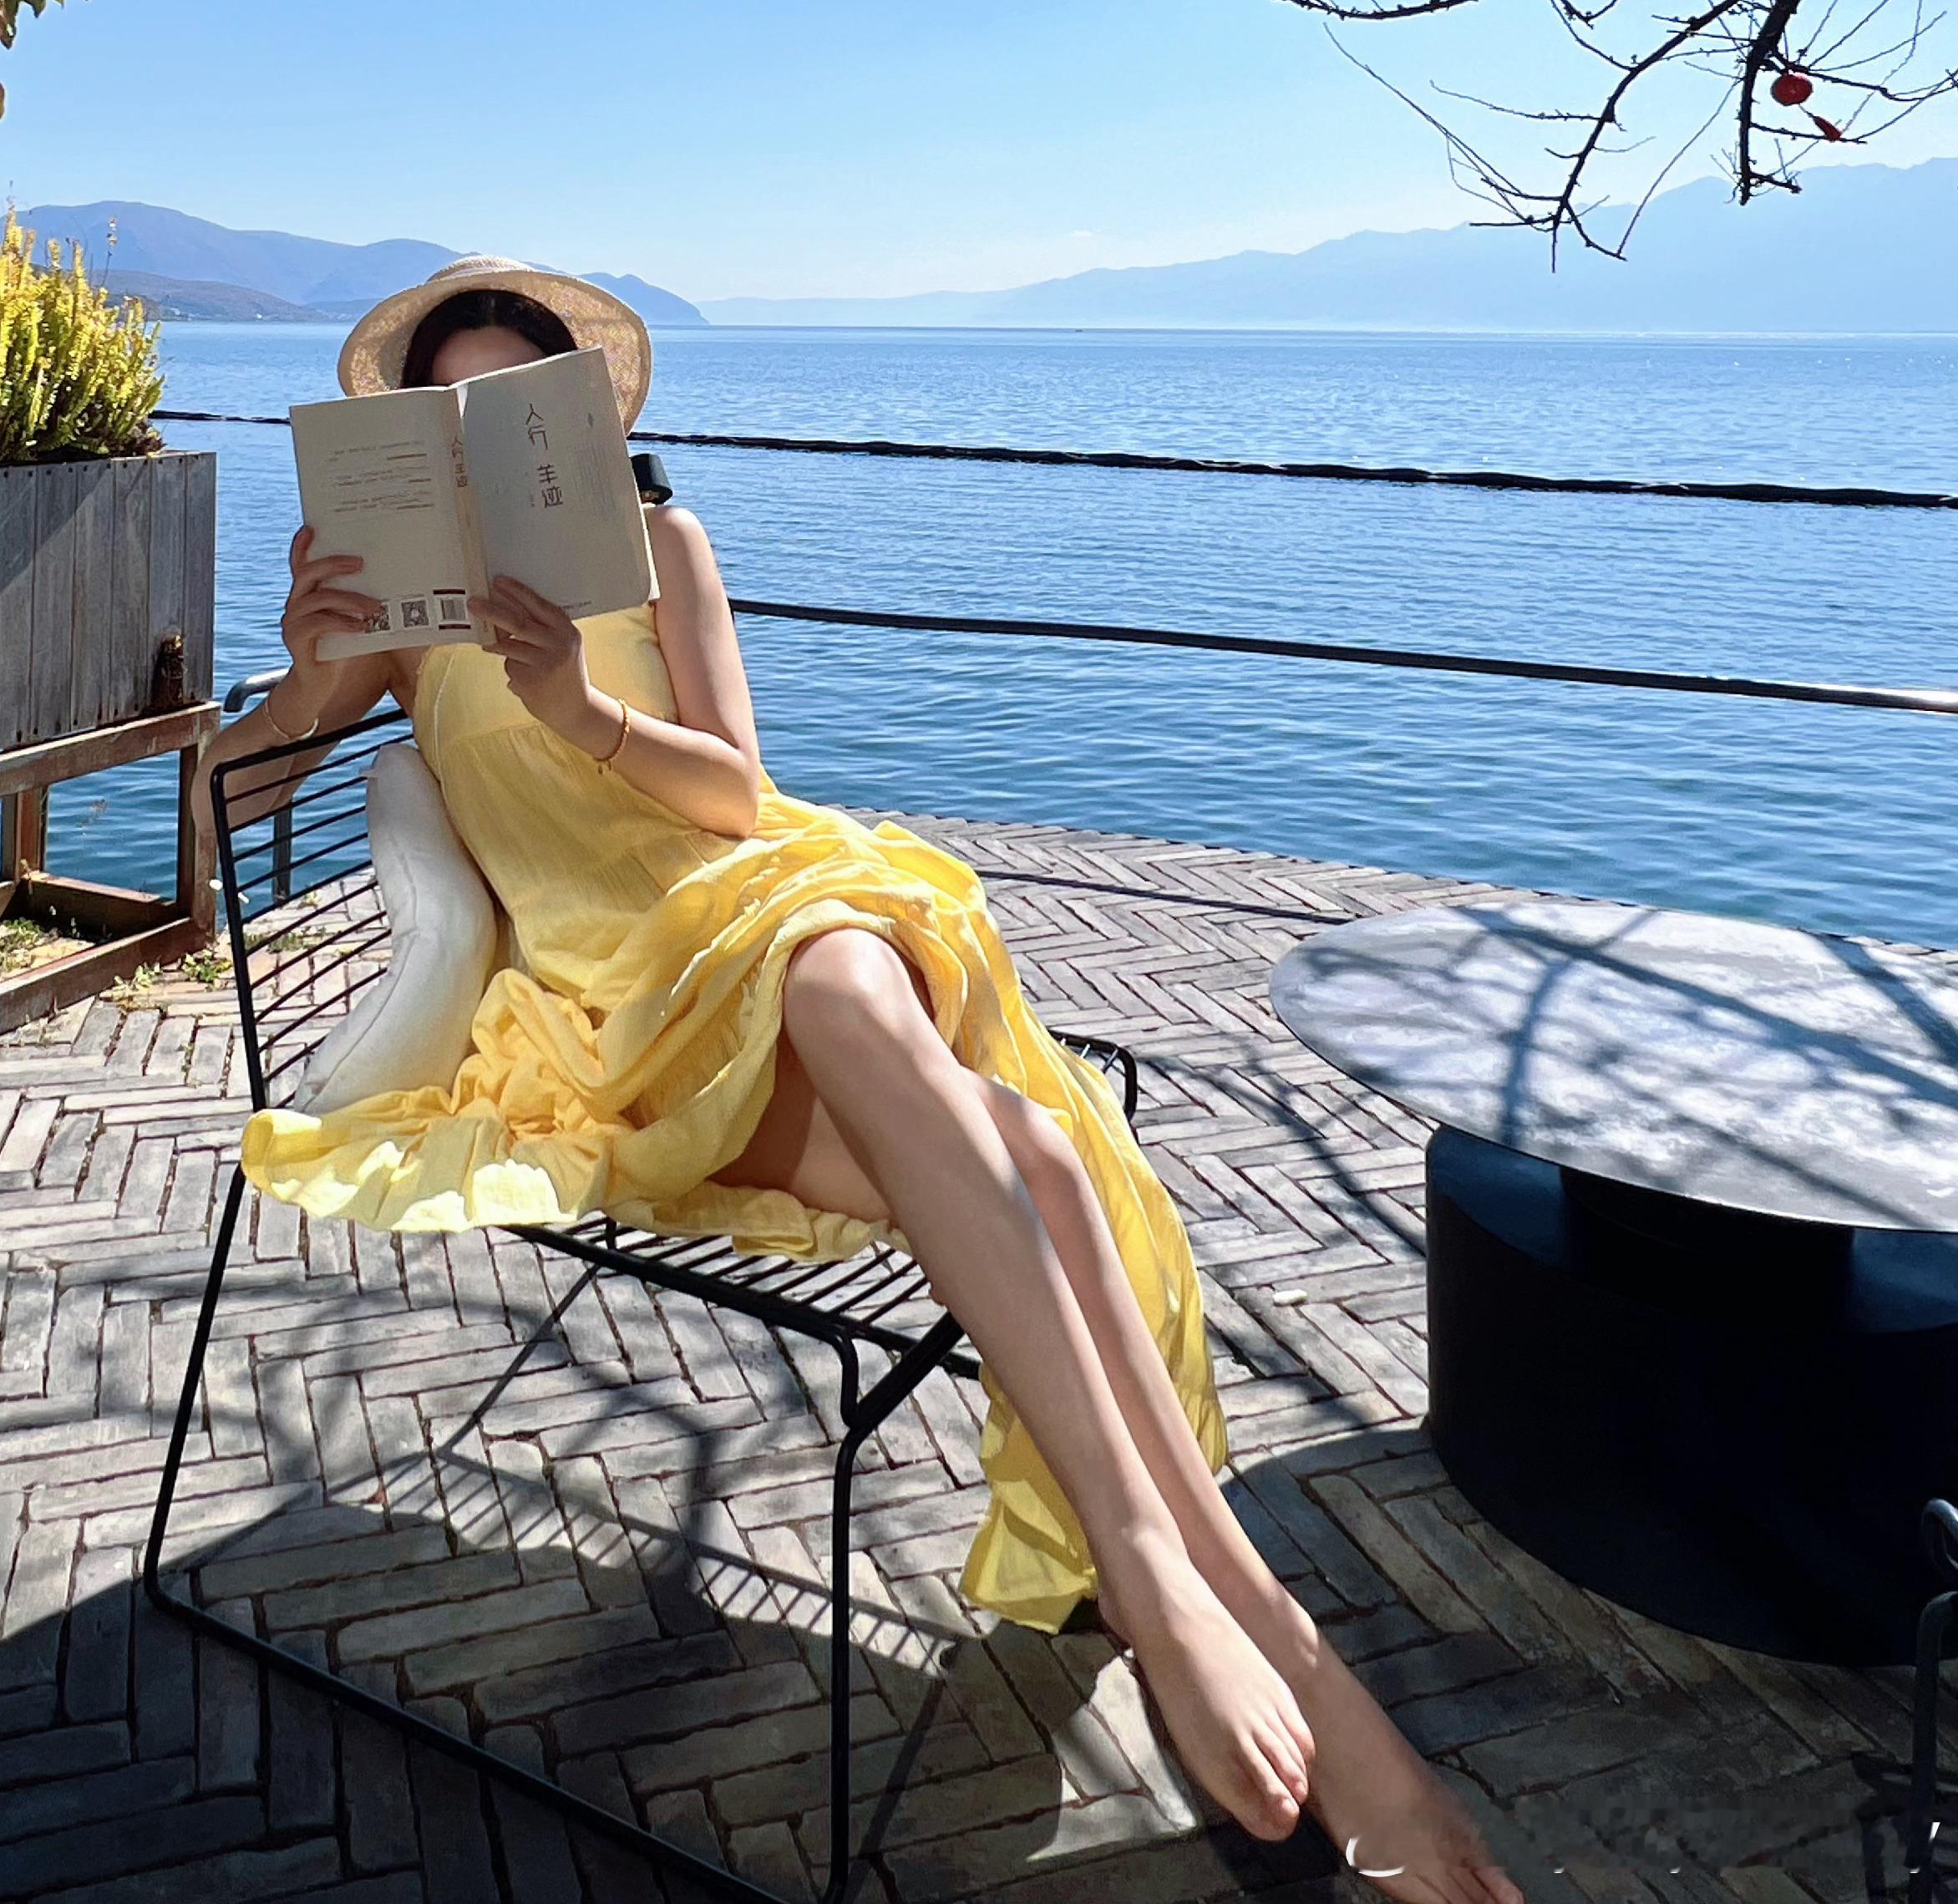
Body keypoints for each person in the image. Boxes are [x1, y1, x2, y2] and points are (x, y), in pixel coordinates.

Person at [220, 256, 1519, 1904]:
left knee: (837, 965)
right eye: (446, 413)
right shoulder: (401, 627)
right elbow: (228, 810)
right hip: (615, 1011)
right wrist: (301, 672)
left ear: (561, 430)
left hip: (767, 903)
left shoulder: (659, 551)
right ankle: (1254, 1616)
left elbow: (735, 796)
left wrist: (579, 704)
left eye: (507, 407)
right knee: (1030, 1151)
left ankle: (1176, 1586)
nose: (479, 438)